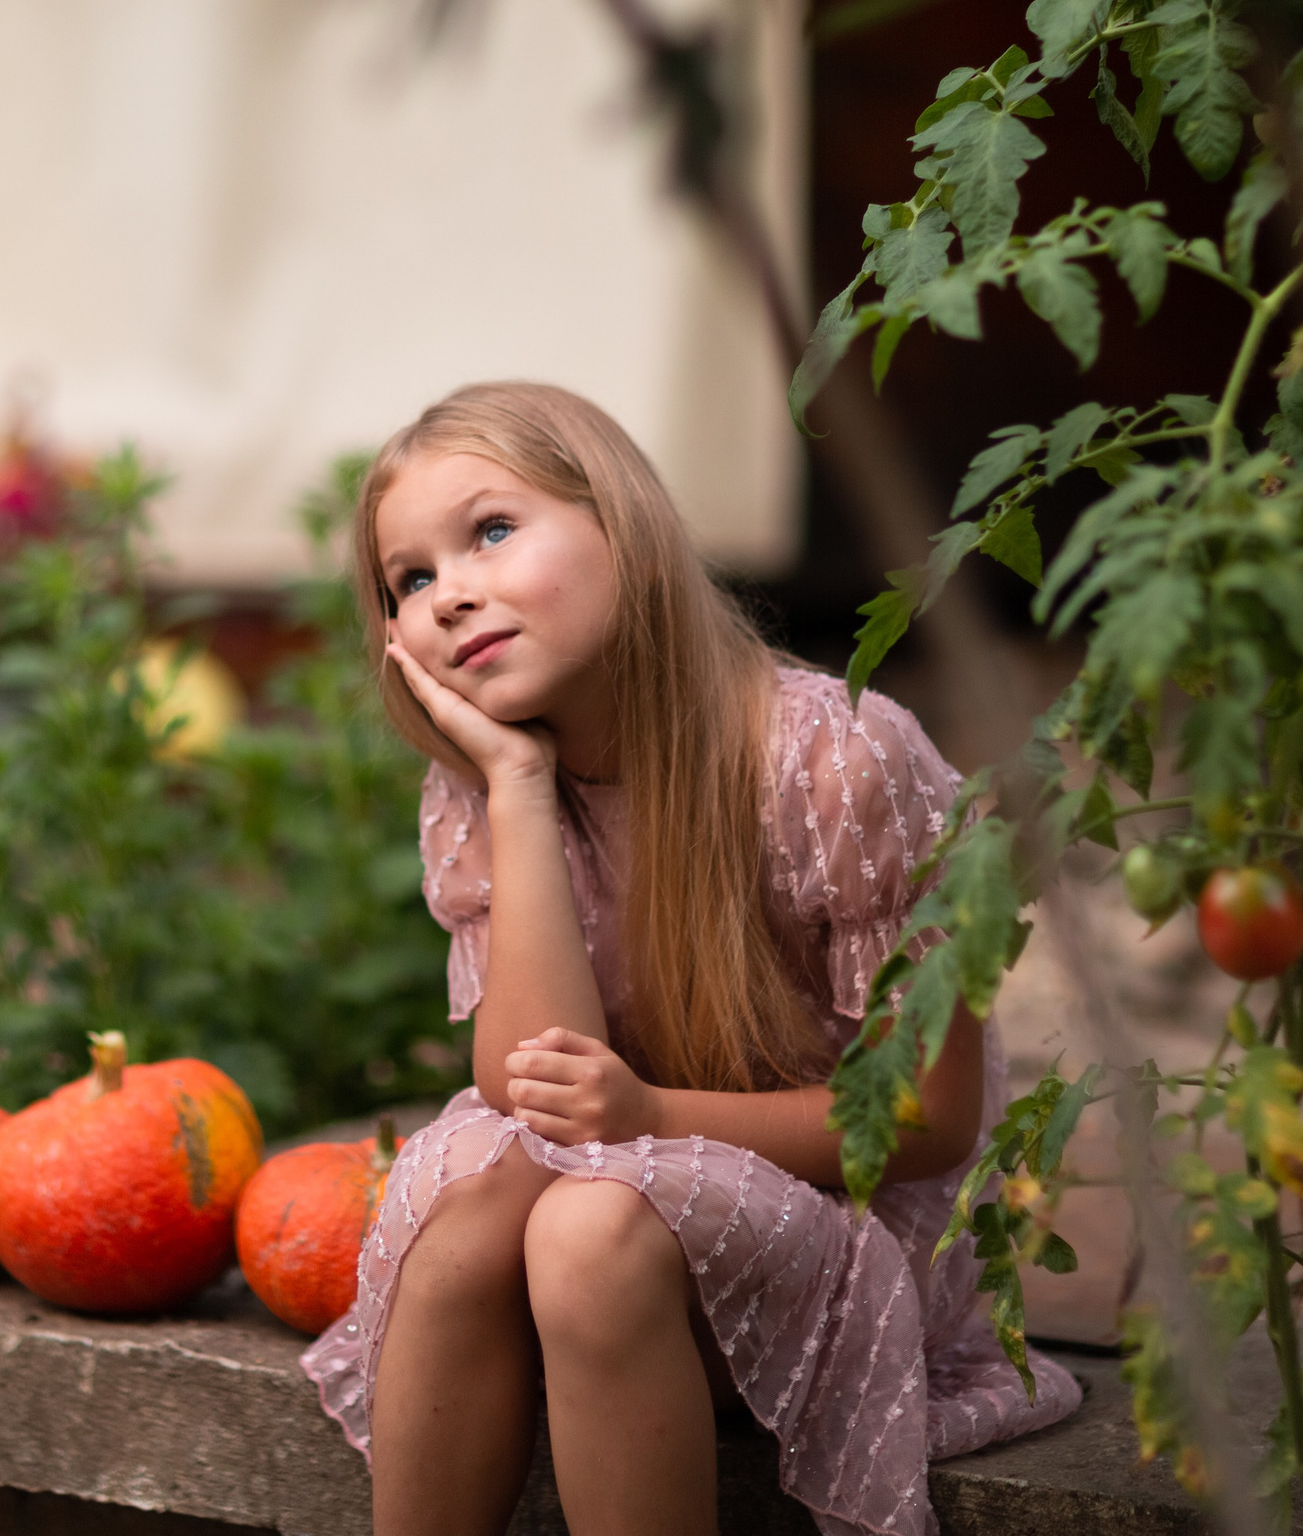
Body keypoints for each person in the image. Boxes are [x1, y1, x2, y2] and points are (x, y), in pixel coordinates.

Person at [298, 382, 1081, 1536]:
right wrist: (516, 786)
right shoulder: (483, 782)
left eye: (492, 529)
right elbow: (530, 1088)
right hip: (610, 1221)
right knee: (466, 1205)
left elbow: (928, 1118)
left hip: (849, 1229)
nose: (448, 591)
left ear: (622, 523)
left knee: (588, 1225)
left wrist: (650, 1113)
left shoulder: (832, 758)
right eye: (406, 581)